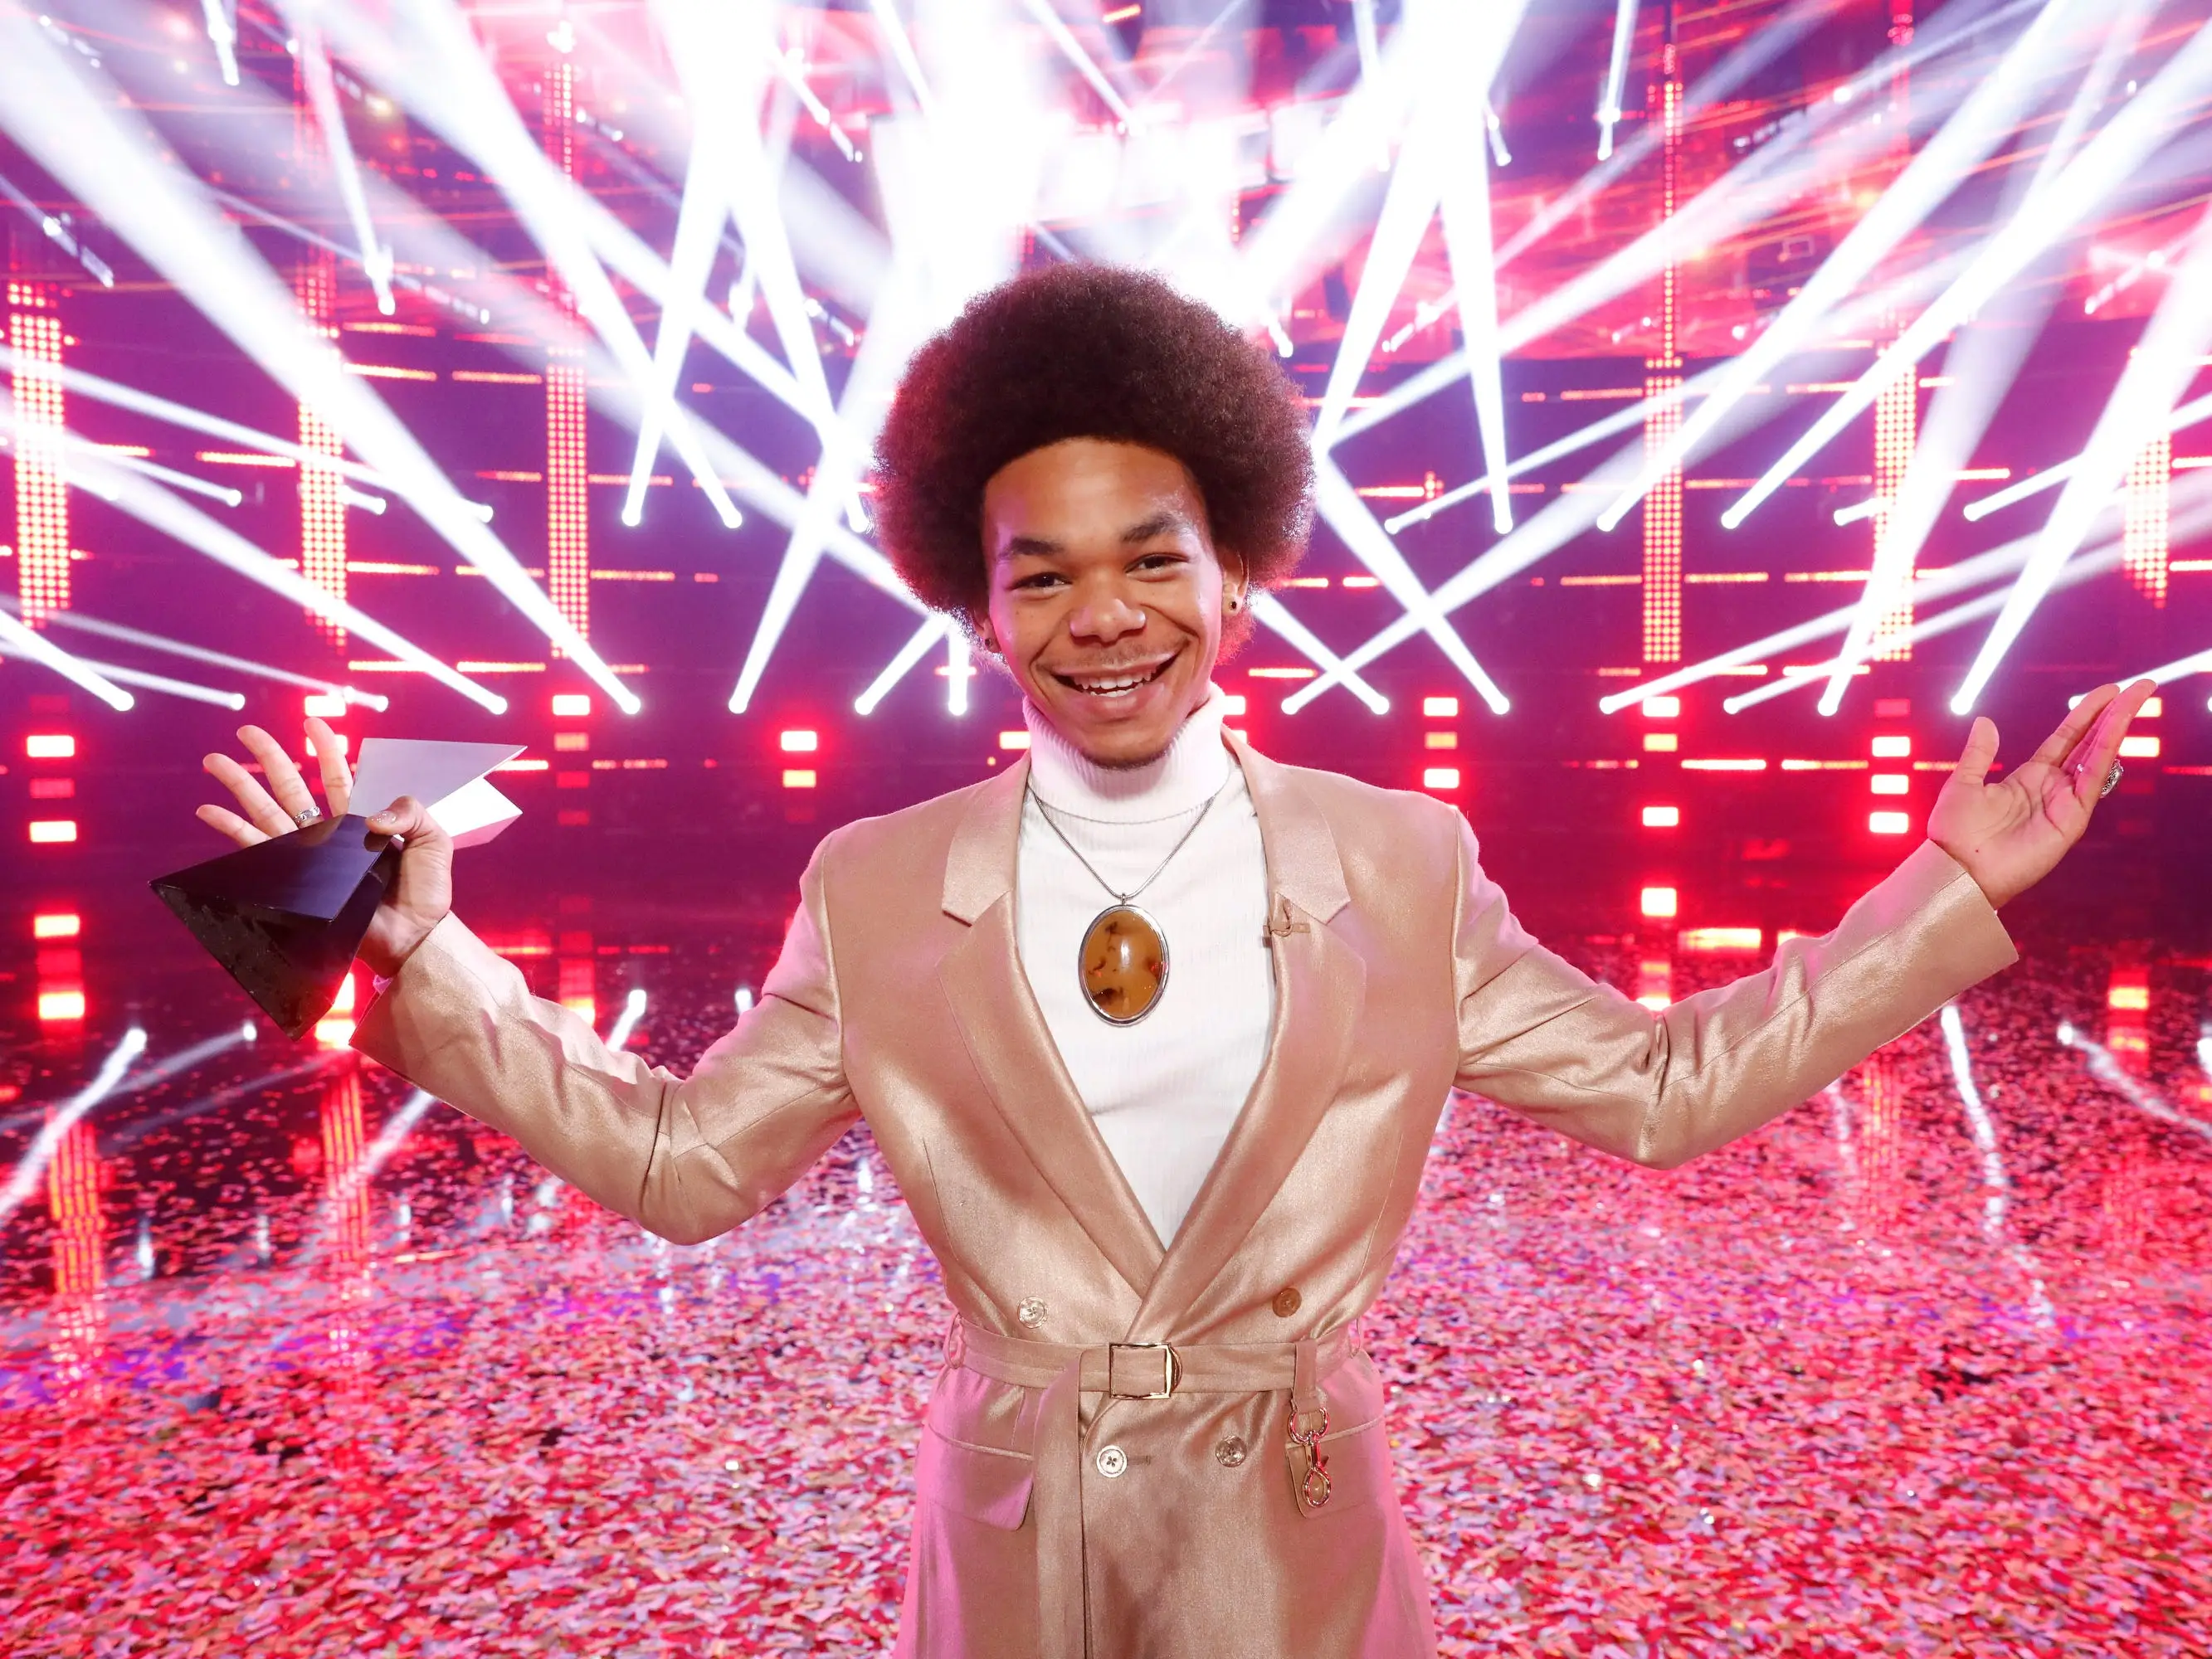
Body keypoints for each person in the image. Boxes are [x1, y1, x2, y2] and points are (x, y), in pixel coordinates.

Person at [195, 264, 2155, 1659]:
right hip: (1012, 1547)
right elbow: (685, 1166)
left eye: (1152, 552)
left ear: (1236, 566)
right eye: (1038, 569)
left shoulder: (1398, 856)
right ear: (975, 602)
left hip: (1293, 1539)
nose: (1103, 612)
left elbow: (1661, 1091)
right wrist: (426, 965)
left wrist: (1939, 900)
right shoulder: (879, 883)